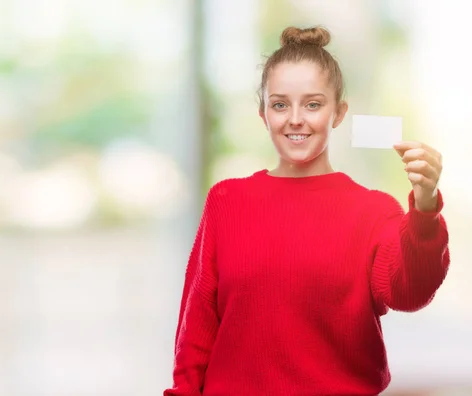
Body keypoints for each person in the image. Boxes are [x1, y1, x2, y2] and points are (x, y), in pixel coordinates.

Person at [164, 25, 450, 396]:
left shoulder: (374, 210)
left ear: (338, 112)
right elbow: (197, 327)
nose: (295, 119)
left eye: (313, 104)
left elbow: (409, 293)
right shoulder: (226, 202)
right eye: (280, 104)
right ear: (264, 114)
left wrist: (426, 208)